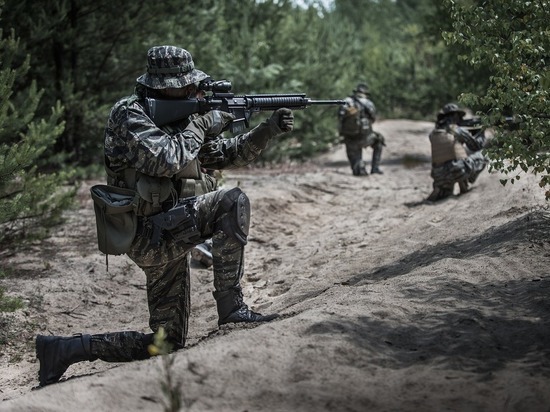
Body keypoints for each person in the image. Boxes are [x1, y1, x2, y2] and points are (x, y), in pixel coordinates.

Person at [35, 45, 294, 387]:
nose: (192, 91)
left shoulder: (180, 119)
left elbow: (223, 155)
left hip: (169, 226)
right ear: (161, 85)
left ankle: (67, 349)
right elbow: (168, 159)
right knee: (232, 200)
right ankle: (232, 310)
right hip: (146, 234)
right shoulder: (129, 114)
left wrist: (267, 129)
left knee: (166, 343)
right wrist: (202, 122)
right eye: (185, 86)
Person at [427, 103, 488, 201]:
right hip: (457, 171)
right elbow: (476, 146)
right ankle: (466, 181)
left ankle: (443, 188)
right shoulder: (457, 130)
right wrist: (481, 131)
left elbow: (448, 147)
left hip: (439, 175)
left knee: (457, 158)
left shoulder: (433, 133)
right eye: (459, 116)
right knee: (484, 155)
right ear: (455, 116)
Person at [338, 83, 386, 176]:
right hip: (365, 136)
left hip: (350, 136)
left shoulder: (346, 101)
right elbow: (373, 119)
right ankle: (375, 168)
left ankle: (358, 166)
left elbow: (340, 117)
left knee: (352, 151)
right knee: (379, 140)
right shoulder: (368, 103)